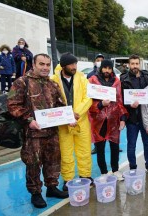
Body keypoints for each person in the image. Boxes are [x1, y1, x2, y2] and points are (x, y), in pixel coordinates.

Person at [7, 53, 68, 208]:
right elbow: (13, 105)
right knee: (33, 163)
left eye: (48, 64)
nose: (45, 67)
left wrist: (68, 117)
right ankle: (36, 193)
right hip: (33, 133)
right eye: (41, 64)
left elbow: (61, 105)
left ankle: (52, 187)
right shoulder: (22, 82)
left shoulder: (52, 84)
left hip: (52, 132)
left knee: (53, 161)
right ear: (33, 64)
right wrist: (29, 120)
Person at [51, 52, 93, 191]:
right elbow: (51, 101)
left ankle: (85, 175)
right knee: (66, 152)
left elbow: (88, 98)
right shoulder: (53, 80)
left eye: (75, 63)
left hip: (81, 121)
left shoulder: (82, 78)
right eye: (71, 64)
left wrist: (77, 114)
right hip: (63, 124)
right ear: (63, 66)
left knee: (84, 150)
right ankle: (68, 179)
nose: (74, 66)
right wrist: (66, 117)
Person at [88, 59, 128, 180]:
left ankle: (115, 170)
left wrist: (122, 117)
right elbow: (88, 101)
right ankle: (104, 172)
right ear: (101, 68)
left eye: (109, 68)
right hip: (98, 120)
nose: (107, 70)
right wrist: (100, 105)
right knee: (100, 148)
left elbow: (119, 100)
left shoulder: (116, 81)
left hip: (113, 119)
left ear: (112, 69)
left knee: (114, 146)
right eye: (105, 68)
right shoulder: (92, 81)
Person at [120, 54, 148, 175]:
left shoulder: (147, 77)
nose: (135, 66)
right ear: (129, 65)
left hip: (146, 118)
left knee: (147, 143)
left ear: (139, 64)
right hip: (132, 118)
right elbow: (122, 99)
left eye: (136, 63)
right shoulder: (123, 79)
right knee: (131, 145)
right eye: (132, 64)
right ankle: (133, 167)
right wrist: (130, 105)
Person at [87, 53, 105, 155]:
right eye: (98, 60)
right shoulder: (90, 75)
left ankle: (113, 144)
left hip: (106, 104)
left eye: (101, 60)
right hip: (96, 105)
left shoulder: (107, 74)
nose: (100, 62)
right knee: (96, 127)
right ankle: (96, 146)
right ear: (95, 61)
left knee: (110, 127)